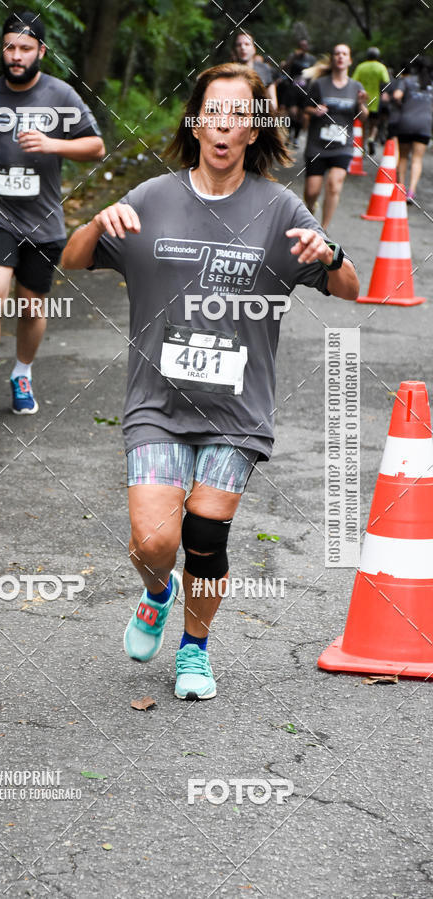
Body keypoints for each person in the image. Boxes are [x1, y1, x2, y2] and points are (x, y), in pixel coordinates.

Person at [62, 63, 358, 701]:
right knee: (154, 540)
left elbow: (350, 287)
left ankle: (195, 651)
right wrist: (97, 221)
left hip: (237, 408)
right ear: (195, 122)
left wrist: (329, 255)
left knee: (203, 535)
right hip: (157, 403)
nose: (223, 127)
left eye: (238, 116)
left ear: (254, 131)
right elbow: (72, 258)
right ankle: (155, 592)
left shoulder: (279, 209)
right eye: (212, 114)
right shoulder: (150, 198)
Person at [0, 9, 105, 422]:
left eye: (24, 48)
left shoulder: (61, 96)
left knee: (32, 306)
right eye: (9, 47)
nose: (16, 55)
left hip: (43, 220)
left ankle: (22, 375)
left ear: (41, 50)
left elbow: (96, 147)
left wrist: (53, 144)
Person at [303, 44, 368, 232]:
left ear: (350, 60)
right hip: (317, 145)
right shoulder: (319, 84)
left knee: (334, 184)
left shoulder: (356, 87)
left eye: (344, 54)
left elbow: (363, 117)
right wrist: (315, 110)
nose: (340, 57)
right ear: (332, 59)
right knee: (312, 192)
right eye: (337, 54)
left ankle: (323, 229)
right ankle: (310, 209)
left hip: (343, 145)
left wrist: (362, 104)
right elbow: (305, 108)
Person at [394, 57, 433, 204]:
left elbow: (397, 96)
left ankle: (401, 189)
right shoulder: (430, 84)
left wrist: (401, 105)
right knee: (417, 159)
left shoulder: (407, 81)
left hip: (406, 122)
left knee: (403, 157)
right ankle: (411, 191)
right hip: (424, 124)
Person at [352, 47, 391, 155]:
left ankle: (362, 147)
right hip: (376, 100)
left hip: (363, 100)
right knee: (374, 123)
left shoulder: (361, 66)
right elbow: (386, 82)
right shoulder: (381, 67)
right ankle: (372, 138)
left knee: (363, 123)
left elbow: (354, 81)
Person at [232, 32, 278, 110]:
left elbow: (273, 102)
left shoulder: (264, 69)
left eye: (247, 44)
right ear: (235, 49)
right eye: (239, 45)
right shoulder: (229, 71)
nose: (243, 47)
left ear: (254, 48)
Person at [285, 38, 316, 146]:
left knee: (300, 115)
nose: (303, 48)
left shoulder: (311, 59)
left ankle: (296, 137)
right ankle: (289, 135)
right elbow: (284, 68)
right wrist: (294, 57)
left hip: (305, 90)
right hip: (293, 88)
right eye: (301, 46)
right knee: (292, 113)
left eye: (305, 46)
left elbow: (315, 73)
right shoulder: (293, 56)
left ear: (307, 47)